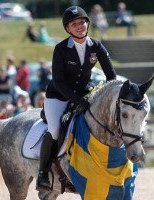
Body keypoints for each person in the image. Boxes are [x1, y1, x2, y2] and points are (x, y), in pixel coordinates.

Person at [36, 6, 116, 191]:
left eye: (82, 22)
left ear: (88, 23)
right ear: (67, 29)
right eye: (74, 24)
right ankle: (43, 172)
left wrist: (110, 95)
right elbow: (58, 80)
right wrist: (75, 99)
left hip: (83, 94)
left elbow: (111, 76)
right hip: (58, 96)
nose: (80, 26)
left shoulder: (96, 46)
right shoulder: (61, 48)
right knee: (55, 129)